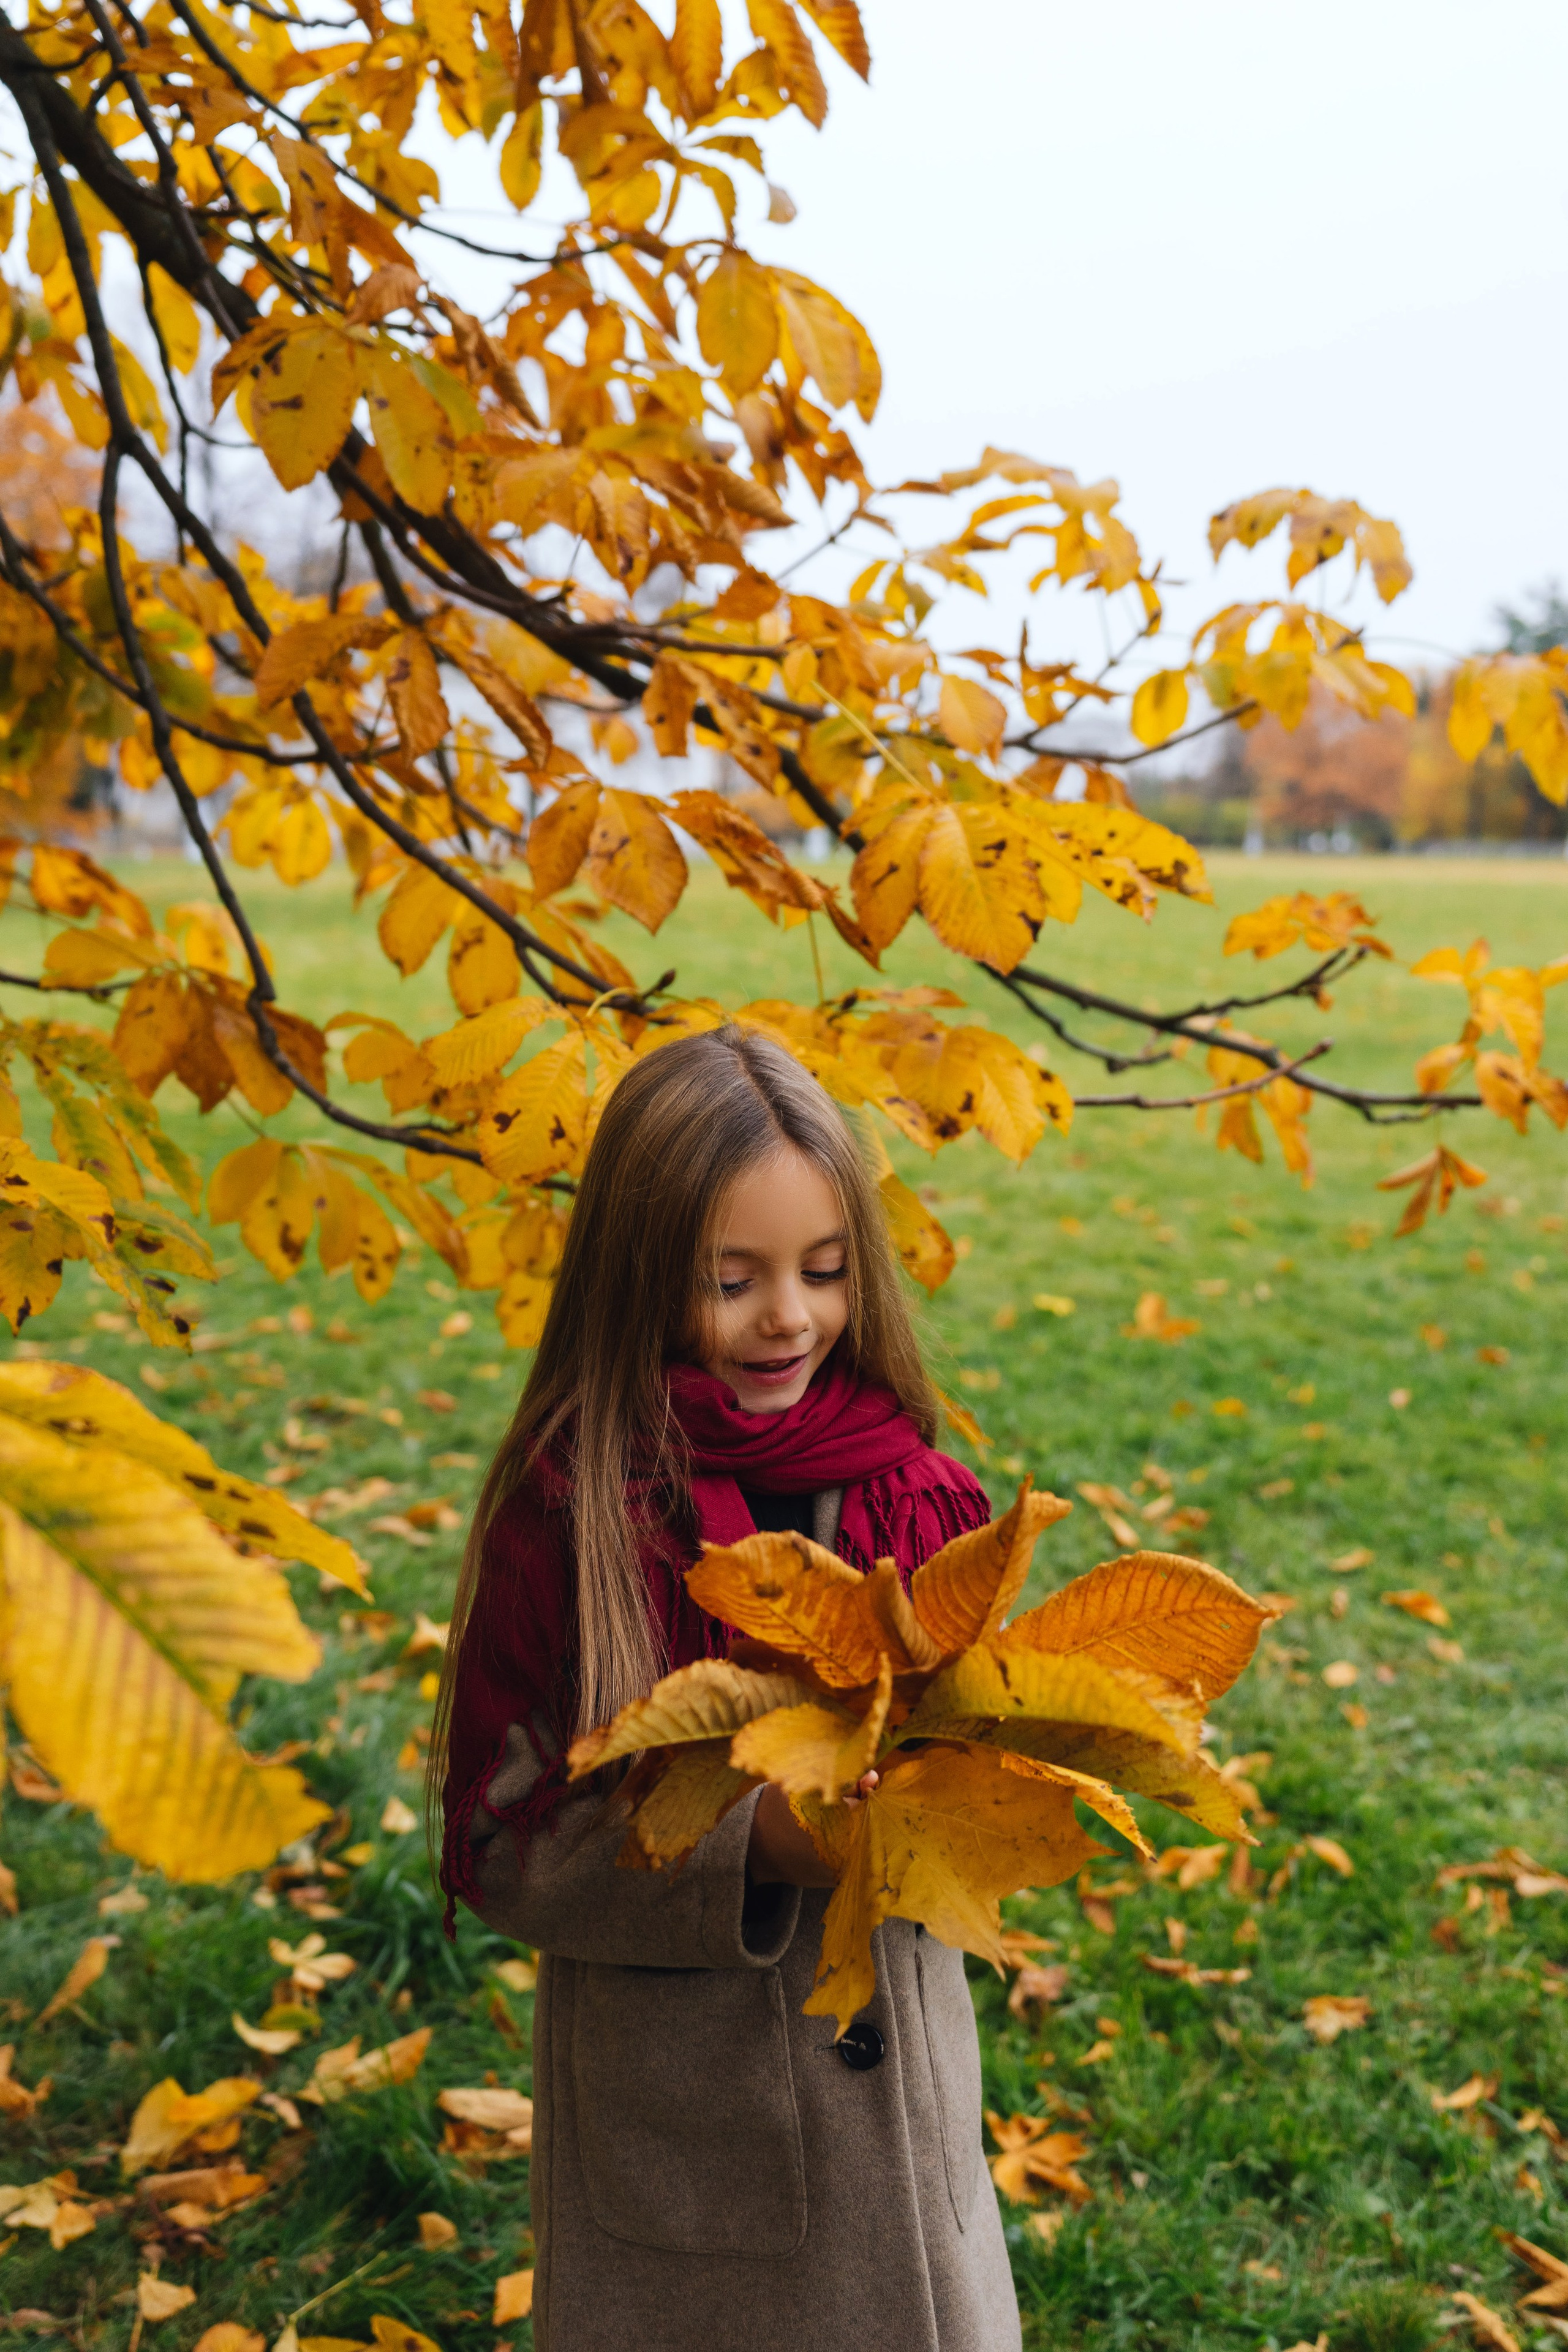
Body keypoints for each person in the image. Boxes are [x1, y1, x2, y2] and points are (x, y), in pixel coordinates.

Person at [432, 1027, 1023, 2352]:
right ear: (639, 1274)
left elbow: (971, 1771)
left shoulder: (913, 1492)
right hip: (691, 2152)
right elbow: (502, 1839)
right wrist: (749, 1845)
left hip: (905, 2137)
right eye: (731, 1279)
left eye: (824, 1269)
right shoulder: (577, 1514)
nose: (788, 1317)